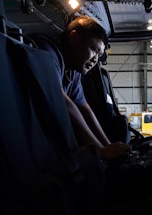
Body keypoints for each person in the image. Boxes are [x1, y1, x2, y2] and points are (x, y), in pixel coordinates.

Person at [30, 16, 131, 160]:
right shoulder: (45, 51)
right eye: (94, 49)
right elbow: (64, 101)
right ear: (74, 38)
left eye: (99, 55)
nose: (96, 60)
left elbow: (84, 109)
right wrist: (100, 151)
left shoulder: (72, 72)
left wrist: (109, 146)